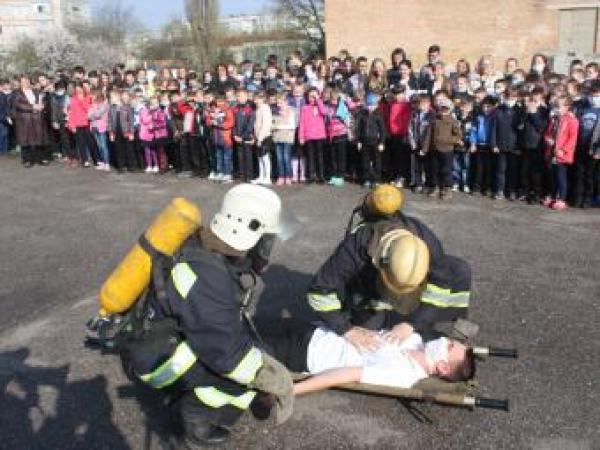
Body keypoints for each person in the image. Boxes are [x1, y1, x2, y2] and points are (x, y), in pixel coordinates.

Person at [119, 185, 296, 447]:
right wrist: (268, 378)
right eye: (265, 240)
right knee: (245, 376)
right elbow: (225, 352)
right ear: (243, 230)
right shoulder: (205, 277)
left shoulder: (210, 247)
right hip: (159, 360)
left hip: (164, 338)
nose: (267, 248)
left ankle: (192, 396)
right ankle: (196, 422)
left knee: (256, 354)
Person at [306, 185, 472, 350]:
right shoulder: (358, 246)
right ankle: (359, 314)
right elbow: (319, 291)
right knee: (369, 342)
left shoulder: (425, 239)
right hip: (369, 292)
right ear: (380, 262)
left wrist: (412, 324)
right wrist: (346, 330)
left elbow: (441, 284)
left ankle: (448, 334)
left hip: (407, 293)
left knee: (459, 269)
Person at [258, 319, 475, 396]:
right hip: (314, 330)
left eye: (449, 345)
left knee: (235, 344)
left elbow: (343, 375)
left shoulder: (402, 375)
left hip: (303, 354)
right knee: (242, 321)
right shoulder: (414, 339)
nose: (444, 339)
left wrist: (291, 390)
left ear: (444, 367)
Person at [542, 96, 579, 210]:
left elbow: (572, 138)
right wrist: (547, 139)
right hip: (551, 151)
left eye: (559, 106)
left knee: (561, 177)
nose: (557, 108)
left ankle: (562, 198)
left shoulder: (572, 120)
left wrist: (563, 150)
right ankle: (552, 196)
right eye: (556, 106)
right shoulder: (554, 119)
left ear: (567, 107)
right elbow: (548, 132)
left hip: (562, 153)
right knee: (552, 176)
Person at [423, 97, 462, 199]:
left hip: (447, 150)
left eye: (446, 108)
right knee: (435, 169)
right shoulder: (434, 120)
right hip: (435, 149)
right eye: (442, 108)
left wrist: (448, 140)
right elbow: (428, 135)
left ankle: (447, 188)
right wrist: (425, 149)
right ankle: (436, 187)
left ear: (450, 109)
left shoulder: (453, 121)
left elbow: (458, 135)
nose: (444, 110)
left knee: (446, 170)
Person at [490, 87, 523, 200]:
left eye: (513, 97)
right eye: (508, 97)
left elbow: (521, 130)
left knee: (513, 170)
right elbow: (494, 128)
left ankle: (512, 191)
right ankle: (500, 190)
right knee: (501, 170)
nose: (510, 99)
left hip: (514, 146)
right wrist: (494, 144)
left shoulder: (519, 110)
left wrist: (519, 146)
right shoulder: (498, 110)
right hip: (501, 145)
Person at [12, 75, 51, 167]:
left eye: (27, 81)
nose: (25, 83)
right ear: (20, 83)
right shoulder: (17, 93)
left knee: (39, 139)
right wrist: (32, 107)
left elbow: (43, 100)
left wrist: (42, 105)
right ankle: (27, 160)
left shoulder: (36, 91)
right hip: (24, 120)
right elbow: (18, 105)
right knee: (25, 140)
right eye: (23, 81)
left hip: (37, 118)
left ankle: (40, 158)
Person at [573, 81, 600, 208]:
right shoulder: (582, 107)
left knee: (590, 175)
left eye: (597, 95)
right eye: (592, 95)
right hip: (580, 145)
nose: (594, 98)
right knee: (579, 173)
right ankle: (578, 196)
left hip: (593, 147)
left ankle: (588, 198)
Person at [356, 93, 387, 188]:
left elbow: (382, 130)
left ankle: (376, 179)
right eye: (368, 105)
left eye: (372, 105)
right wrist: (359, 141)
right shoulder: (362, 115)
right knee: (365, 161)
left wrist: (382, 142)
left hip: (376, 142)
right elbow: (359, 129)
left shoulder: (379, 115)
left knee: (377, 161)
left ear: (376, 105)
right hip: (365, 142)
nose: (370, 107)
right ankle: (366, 179)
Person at [383, 85, 412, 188]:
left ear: (404, 94)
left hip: (403, 135)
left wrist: (404, 132)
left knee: (402, 158)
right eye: (396, 94)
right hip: (393, 134)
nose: (398, 96)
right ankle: (396, 176)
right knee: (395, 157)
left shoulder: (407, 105)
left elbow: (407, 121)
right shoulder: (392, 104)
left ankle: (403, 178)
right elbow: (389, 120)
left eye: (400, 94)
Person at [298, 87, 328, 183]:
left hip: (320, 135)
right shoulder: (305, 108)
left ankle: (321, 175)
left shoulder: (321, 105)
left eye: (314, 96)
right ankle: (311, 175)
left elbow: (324, 112)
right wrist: (301, 136)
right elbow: (302, 123)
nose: (313, 98)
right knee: (310, 157)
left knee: (320, 156)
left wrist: (318, 100)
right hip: (309, 136)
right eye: (311, 96)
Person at [325, 88, 353, 186]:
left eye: (336, 99)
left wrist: (345, 98)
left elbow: (348, 119)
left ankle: (340, 175)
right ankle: (334, 175)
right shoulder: (328, 107)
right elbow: (327, 120)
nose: (333, 101)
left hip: (341, 134)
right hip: (332, 135)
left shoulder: (343, 107)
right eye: (332, 99)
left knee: (341, 156)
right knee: (333, 157)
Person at [408, 94, 435, 193]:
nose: (421, 106)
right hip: (416, 143)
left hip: (427, 146)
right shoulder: (414, 114)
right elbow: (410, 128)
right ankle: (418, 183)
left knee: (427, 166)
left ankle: (427, 184)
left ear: (429, 104)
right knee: (417, 165)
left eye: (424, 104)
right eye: (420, 104)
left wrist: (426, 147)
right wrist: (412, 142)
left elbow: (431, 132)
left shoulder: (432, 115)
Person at [470, 96, 496, 196]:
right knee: (479, 168)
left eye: (488, 107)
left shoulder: (494, 118)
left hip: (490, 145)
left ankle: (488, 187)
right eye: (484, 107)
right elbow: (474, 130)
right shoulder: (478, 118)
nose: (486, 109)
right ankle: (477, 187)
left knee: (489, 168)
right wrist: (473, 143)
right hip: (480, 145)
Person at [108, 90, 136, 173]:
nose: (111, 99)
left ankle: (131, 166)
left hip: (126, 131)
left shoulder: (126, 107)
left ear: (118, 98)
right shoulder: (112, 108)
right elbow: (109, 121)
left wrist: (131, 132)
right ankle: (121, 166)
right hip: (116, 131)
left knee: (128, 149)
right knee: (118, 150)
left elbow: (131, 120)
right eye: (110, 97)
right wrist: (111, 133)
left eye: (113, 97)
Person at [272, 92, 297, 185]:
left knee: (286, 158)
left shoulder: (291, 111)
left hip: (287, 138)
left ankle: (288, 176)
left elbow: (292, 126)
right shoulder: (276, 112)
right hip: (278, 138)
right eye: (278, 103)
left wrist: (279, 126)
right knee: (279, 158)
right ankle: (281, 176)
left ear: (286, 102)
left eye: (281, 103)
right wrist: (272, 126)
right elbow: (273, 123)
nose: (279, 105)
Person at [233, 88, 256, 183]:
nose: (239, 98)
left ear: (246, 96)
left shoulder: (250, 108)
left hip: (247, 137)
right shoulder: (235, 108)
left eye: (241, 96)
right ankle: (242, 175)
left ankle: (249, 175)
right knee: (240, 157)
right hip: (237, 137)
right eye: (238, 96)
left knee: (248, 156)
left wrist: (242, 136)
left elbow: (250, 125)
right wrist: (235, 135)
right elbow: (233, 123)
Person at [453, 97, 475, 193]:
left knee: (466, 166)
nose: (464, 108)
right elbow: (453, 130)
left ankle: (465, 183)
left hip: (467, 146)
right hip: (456, 145)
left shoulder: (473, 118)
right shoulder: (456, 117)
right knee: (455, 166)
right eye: (463, 106)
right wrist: (456, 139)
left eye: (467, 107)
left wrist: (472, 143)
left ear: (471, 108)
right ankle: (456, 183)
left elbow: (473, 132)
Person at [252, 92, 273, 185]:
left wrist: (260, 138)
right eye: (255, 98)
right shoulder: (258, 108)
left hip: (264, 137)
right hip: (258, 137)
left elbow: (266, 124)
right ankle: (261, 176)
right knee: (260, 157)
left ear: (262, 99)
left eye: (258, 98)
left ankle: (267, 177)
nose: (255, 100)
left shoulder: (265, 108)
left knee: (265, 158)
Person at [88, 91, 110, 171]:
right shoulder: (92, 105)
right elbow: (89, 116)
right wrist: (94, 114)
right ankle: (102, 162)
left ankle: (107, 163)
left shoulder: (105, 105)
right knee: (99, 146)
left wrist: (94, 113)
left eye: (94, 96)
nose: (92, 97)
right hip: (94, 127)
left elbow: (98, 114)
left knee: (103, 146)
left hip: (101, 128)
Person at [0, 78, 11, 154]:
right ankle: (3, 149)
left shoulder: (3, 95)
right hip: (2, 117)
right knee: (3, 133)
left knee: (4, 133)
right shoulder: (3, 95)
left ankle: (4, 149)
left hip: (3, 117)